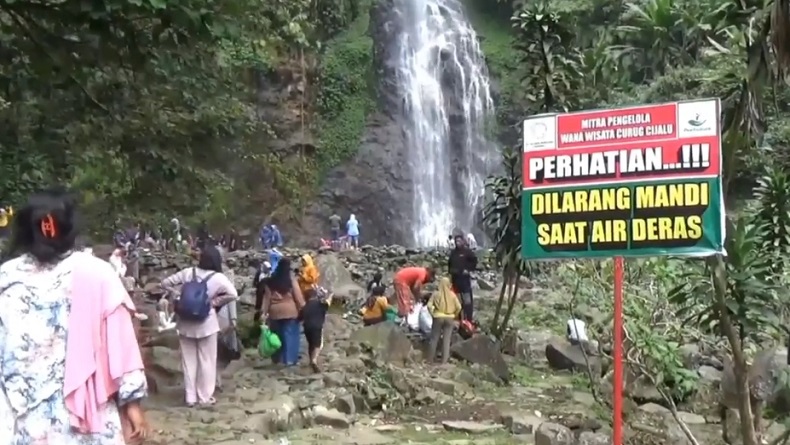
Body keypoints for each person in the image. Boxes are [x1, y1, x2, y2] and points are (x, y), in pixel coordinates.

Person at [0, 187, 149, 443]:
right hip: (86, 418)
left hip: (20, 414)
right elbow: (121, 345)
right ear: (69, 228)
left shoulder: (6, 277)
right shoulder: (97, 273)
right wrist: (132, 405)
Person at [160, 245, 238, 407]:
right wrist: (213, 302)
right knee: (207, 361)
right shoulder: (218, 278)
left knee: (188, 361)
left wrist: (178, 296)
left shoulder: (188, 272)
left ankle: (190, 397)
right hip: (206, 323)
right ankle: (204, 397)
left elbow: (165, 283)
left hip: (185, 322)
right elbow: (233, 294)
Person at [260, 257, 306, 367]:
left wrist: (263, 313)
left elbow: (266, 299)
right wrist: (304, 308)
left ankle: (277, 359)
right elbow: (298, 297)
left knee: (276, 337)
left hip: (275, 313)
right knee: (291, 337)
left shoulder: (270, 282)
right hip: (290, 313)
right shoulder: (291, 281)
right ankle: (289, 360)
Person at [426, 277, 462, 364]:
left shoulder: (436, 294)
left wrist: (433, 314)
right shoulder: (453, 295)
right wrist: (454, 314)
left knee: (434, 338)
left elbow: (429, 305)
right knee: (447, 340)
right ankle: (444, 361)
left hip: (438, 316)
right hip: (449, 318)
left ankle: (430, 360)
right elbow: (459, 307)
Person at [448, 232, 478, 321]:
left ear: (463, 241)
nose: (457, 242)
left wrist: (468, 270)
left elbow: (474, 262)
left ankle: (469, 319)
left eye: (459, 240)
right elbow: (449, 264)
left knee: (467, 301)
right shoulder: (453, 253)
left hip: (465, 281)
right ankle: (458, 318)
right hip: (455, 280)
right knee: (456, 301)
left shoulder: (467, 252)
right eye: (456, 241)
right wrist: (451, 272)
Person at [301, 286, 332, 372]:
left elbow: (300, 317)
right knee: (318, 345)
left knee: (311, 344)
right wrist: (331, 295)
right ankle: (314, 360)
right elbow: (328, 303)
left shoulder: (305, 306)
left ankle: (310, 359)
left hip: (306, 327)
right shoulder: (320, 304)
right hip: (317, 326)